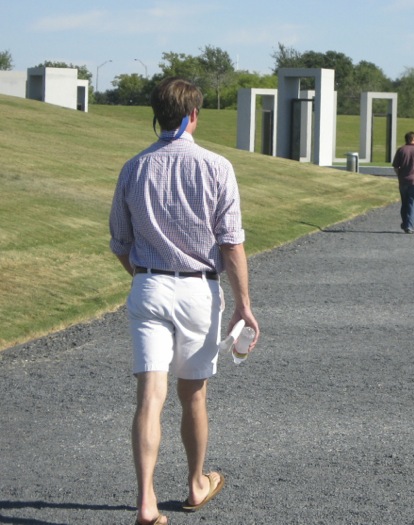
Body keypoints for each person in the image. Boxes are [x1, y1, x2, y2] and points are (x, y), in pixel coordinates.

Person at [109, 77, 260, 525]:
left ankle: (146, 503)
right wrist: (243, 303)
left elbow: (120, 242)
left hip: (149, 286)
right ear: (194, 114)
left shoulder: (134, 168)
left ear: (156, 114)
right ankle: (196, 482)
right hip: (198, 288)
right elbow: (231, 244)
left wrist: (143, 279)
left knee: (149, 397)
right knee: (192, 395)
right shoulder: (216, 167)